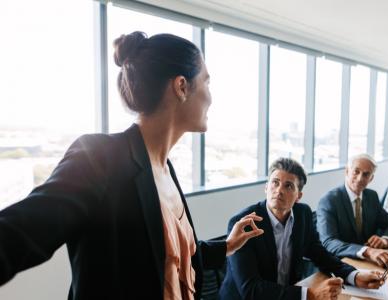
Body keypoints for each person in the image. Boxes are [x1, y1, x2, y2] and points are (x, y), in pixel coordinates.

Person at [0, 32, 264, 300]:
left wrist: (227, 245)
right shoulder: (100, 157)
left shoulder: (166, 168)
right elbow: (19, 232)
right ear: (181, 87)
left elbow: (169, 257)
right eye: (207, 81)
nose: (211, 96)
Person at [219, 158, 385, 300]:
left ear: (299, 196)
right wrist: (309, 294)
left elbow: (320, 254)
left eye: (288, 186)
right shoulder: (245, 223)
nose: (279, 191)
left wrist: (354, 276)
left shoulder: (303, 214)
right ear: (266, 187)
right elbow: (250, 289)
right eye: (275, 183)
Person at [316, 154, 388, 268]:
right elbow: (329, 242)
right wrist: (367, 251)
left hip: (370, 263)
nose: (360, 178)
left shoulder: (371, 196)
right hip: (341, 264)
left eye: (366, 174)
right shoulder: (329, 201)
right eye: (356, 171)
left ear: (371, 178)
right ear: (347, 171)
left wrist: (385, 240)